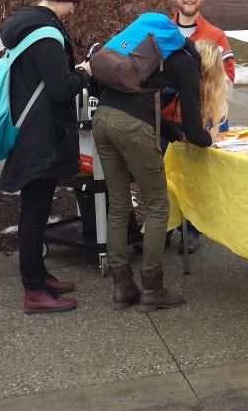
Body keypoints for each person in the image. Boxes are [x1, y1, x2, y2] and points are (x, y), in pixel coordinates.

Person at [92, 27, 224, 311]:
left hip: (102, 119)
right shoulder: (187, 64)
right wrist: (208, 139)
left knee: (118, 204)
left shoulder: (151, 57)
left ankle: (122, 287)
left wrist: (175, 133)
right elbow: (193, 126)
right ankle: (152, 289)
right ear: (208, 64)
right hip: (132, 128)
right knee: (156, 206)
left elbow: (143, 104)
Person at [0, 0, 92, 314]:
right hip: (42, 136)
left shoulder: (25, 26)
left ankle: (39, 276)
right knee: (35, 214)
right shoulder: (47, 35)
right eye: (74, 1)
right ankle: (33, 289)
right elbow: (60, 89)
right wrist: (83, 72)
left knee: (35, 210)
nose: (75, 8)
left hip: (30, 131)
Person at [163, 0, 235, 253]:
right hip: (167, 119)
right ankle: (167, 224)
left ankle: (193, 227)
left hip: (200, 119)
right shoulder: (162, 32)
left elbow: (227, 76)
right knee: (167, 175)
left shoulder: (215, 35)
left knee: (198, 178)